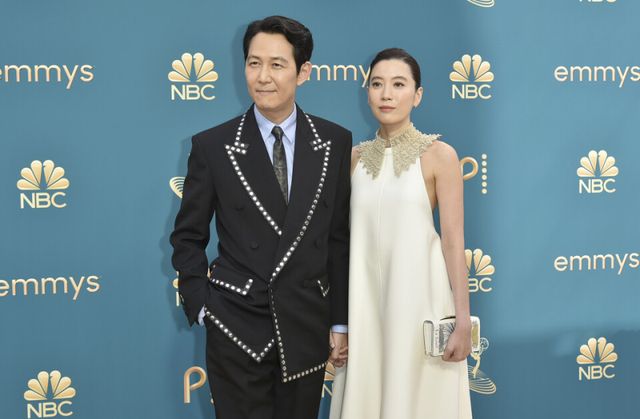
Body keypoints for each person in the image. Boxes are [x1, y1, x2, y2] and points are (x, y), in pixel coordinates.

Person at [170, 15, 351, 419]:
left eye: (277, 64)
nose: (263, 76)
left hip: (305, 328)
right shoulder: (214, 146)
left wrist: (340, 321)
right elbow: (187, 237)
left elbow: (338, 239)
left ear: (303, 72)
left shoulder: (334, 142)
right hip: (236, 327)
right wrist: (203, 306)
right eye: (254, 63)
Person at [330, 48, 473, 419]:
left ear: (417, 94)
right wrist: (340, 322)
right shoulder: (353, 159)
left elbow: (454, 241)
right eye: (377, 84)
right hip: (364, 309)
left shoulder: (440, 155)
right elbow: (341, 244)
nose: (387, 94)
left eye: (398, 84)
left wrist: (462, 321)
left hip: (420, 309)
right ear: (367, 92)